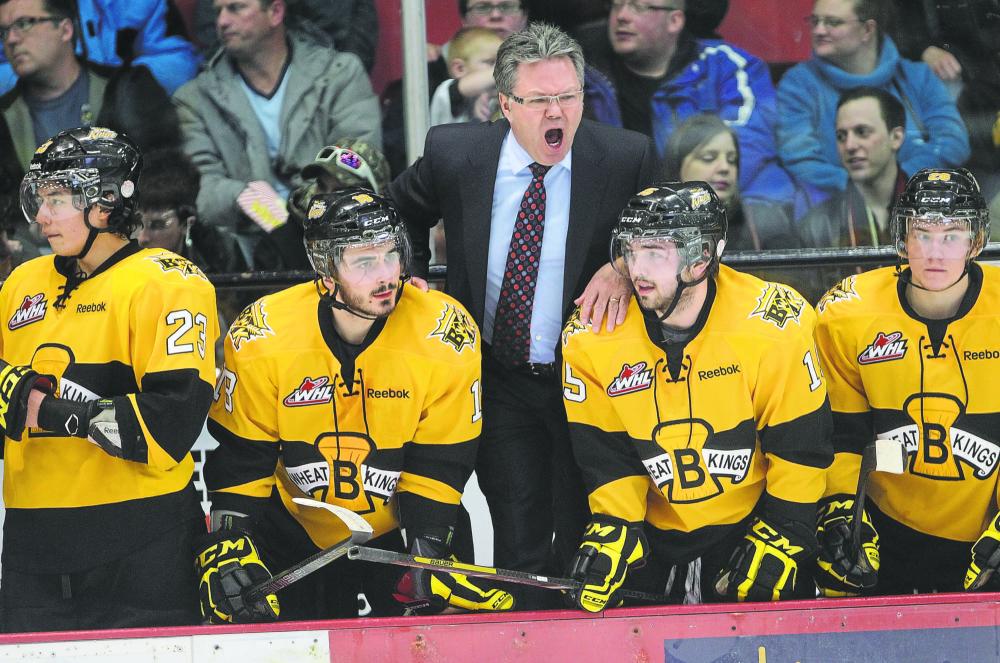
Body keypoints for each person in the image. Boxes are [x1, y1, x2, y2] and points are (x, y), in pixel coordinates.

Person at [390, 22, 656, 609]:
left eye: (568, 97)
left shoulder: (624, 156)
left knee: (594, 531)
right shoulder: (456, 153)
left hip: (590, 379)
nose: (556, 112)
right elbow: (397, 209)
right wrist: (409, 274)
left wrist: (622, 263)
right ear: (506, 104)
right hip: (501, 373)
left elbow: (665, 231)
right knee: (519, 531)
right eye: (539, 100)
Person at [198, 188, 513, 622]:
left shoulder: (443, 332)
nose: (386, 276)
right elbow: (243, 459)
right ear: (326, 271)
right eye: (364, 262)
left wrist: (429, 547)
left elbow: (441, 462)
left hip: (404, 529)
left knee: (433, 640)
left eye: (391, 255)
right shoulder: (263, 334)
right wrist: (229, 541)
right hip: (295, 530)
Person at [561, 182, 833, 611]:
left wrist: (788, 530)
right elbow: (606, 454)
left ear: (701, 258)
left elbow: (800, 445)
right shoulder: (591, 336)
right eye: (631, 251)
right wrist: (617, 525)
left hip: (751, 524)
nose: (637, 270)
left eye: (655, 253)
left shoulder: (771, 325)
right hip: (652, 536)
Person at [0, 126, 218, 631]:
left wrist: (44, 409)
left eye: (57, 199)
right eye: (39, 199)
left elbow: (167, 426)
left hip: (143, 543)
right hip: (33, 546)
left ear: (105, 202)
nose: (42, 216)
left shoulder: (170, 283)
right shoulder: (20, 285)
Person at [813, 167, 1000, 597]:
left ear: (975, 241)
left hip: (985, 528)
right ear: (903, 237)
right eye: (923, 234)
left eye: (951, 235)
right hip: (884, 529)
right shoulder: (848, 314)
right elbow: (841, 435)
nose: (935, 252)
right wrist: (841, 510)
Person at [172, 0, 380, 265]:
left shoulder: (340, 75)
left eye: (236, 8)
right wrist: (244, 197)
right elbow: (196, 187)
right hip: (242, 254)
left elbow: (357, 162)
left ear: (275, 12)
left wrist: (294, 209)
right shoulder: (194, 99)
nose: (222, 21)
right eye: (218, 11)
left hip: (335, 242)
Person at [576, 0, 799, 207]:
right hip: (624, 212)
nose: (621, 16)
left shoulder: (727, 66)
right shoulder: (582, 77)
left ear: (674, 20)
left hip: (714, 207)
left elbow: (746, 145)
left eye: (639, 7)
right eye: (616, 5)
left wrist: (675, 199)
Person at [777, 0, 970, 198]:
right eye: (815, 21)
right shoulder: (798, 85)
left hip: (921, 201)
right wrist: (865, 188)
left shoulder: (917, 77)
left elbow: (952, 142)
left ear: (867, 29)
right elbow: (801, 160)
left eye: (833, 23)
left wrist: (899, 181)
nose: (818, 30)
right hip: (837, 206)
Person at [0, 0, 202, 95]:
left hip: (126, 110)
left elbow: (179, 63)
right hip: (34, 112)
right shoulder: (10, 9)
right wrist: (50, 79)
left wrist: (116, 86)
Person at [664, 114, 799, 250]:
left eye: (732, 160)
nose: (725, 168)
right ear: (677, 167)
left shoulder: (767, 223)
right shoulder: (656, 228)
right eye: (708, 158)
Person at [798, 86, 908, 248]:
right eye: (841, 136)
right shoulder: (815, 227)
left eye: (862, 132)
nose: (849, 146)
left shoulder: (936, 215)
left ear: (896, 138)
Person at [135, 148, 247, 275]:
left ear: (187, 224)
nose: (142, 238)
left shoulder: (223, 256)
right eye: (136, 224)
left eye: (157, 225)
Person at [194, 0, 378, 73]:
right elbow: (215, 44)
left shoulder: (343, 81)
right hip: (240, 91)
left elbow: (356, 58)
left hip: (325, 89)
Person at [429, 26, 502, 127]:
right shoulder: (445, 92)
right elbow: (465, 87)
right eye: (490, 62)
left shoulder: (498, 100)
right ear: (459, 69)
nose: (498, 67)